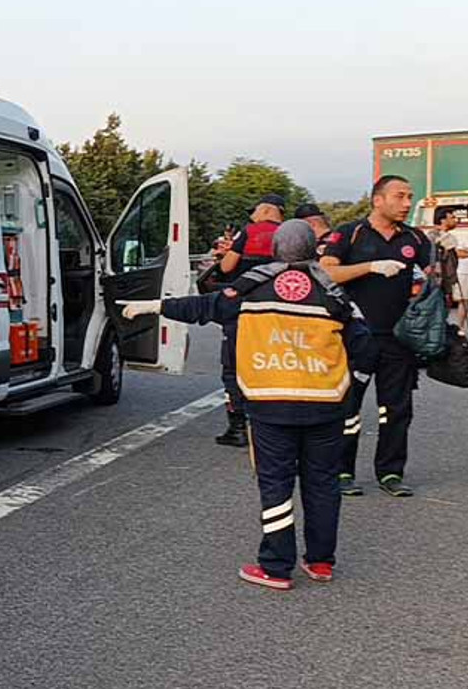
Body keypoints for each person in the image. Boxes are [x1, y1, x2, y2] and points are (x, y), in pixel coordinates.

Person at [120, 220, 376, 590]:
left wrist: (155, 306)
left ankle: (276, 566)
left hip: (270, 403)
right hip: (325, 404)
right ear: (313, 250)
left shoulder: (249, 288)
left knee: (276, 485)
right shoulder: (332, 293)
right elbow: (365, 348)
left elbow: (203, 306)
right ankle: (320, 562)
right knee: (322, 484)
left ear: (274, 250)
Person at [321, 175, 432, 497]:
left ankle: (391, 473)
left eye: (410, 197)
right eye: (400, 196)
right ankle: (342, 471)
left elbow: (432, 279)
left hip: (399, 339)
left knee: (396, 409)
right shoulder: (350, 233)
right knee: (347, 407)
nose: (407, 203)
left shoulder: (415, 238)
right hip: (355, 335)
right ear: (378, 200)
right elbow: (326, 271)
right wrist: (370, 266)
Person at [212, 194, 287, 447]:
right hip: (279, 313)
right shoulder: (290, 234)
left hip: (243, 310)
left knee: (234, 368)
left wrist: (225, 255)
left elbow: (226, 268)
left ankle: (238, 427)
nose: (251, 216)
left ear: (266, 209)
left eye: (253, 211)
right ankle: (273, 427)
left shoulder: (249, 232)